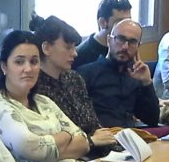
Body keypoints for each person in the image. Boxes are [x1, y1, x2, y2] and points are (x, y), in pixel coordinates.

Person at [0, 30, 91, 162]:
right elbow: (33, 148)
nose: (28, 69)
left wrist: (46, 152)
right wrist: (67, 134)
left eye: (34, 61)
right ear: (4, 66)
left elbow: (84, 143)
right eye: (19, 62)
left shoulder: (44, 101)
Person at [29, 13, 117, 153]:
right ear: (46, 48)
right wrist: (91, 140)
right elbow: (53, 141)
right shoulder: (34, 87)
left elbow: (93, 124)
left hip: (98, 149)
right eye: (68, 47)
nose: (75, 54)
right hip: (69, 157)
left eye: (74, 48)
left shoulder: (74, 78)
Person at [78, 18, 161, 128]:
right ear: (109, 40)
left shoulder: (136, 75)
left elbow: (152, 120)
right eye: (120, 39)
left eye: (132, 42)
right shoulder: (86, 73)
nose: (125, 47)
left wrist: (147, 83)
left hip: (131, 138)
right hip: (102, 138)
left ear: (138, 46)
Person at [73, 0, 132, 70]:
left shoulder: (127, 45)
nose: (126, 26)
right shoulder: (81, 56)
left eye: (128, 21)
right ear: (103, 22)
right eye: (120, 22)